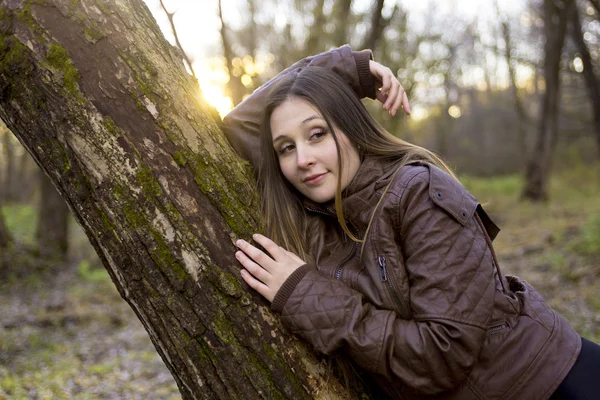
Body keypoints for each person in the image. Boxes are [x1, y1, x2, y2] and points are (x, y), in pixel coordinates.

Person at [222, 46, 600, 399]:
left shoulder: (420, 192)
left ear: (351, 127)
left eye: (317, 134)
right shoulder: (316, 218)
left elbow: (442, 355)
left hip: (548, 384)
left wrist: (306, 295)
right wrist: (346, 70)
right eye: (286, 147)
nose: (302, 158)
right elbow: (238, 127)